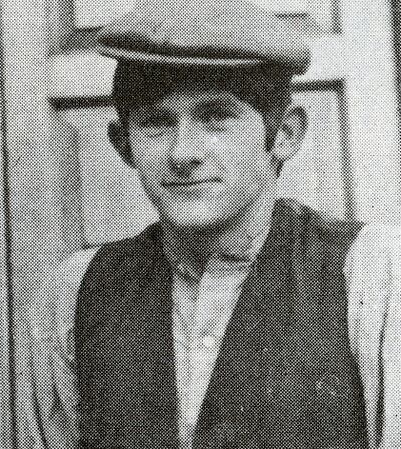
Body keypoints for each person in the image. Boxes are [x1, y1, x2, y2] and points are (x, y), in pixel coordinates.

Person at [26, 1, 401, 448]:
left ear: (284, 133)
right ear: (122, 144)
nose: (184, 152)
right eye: (156, 123)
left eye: (217, 116)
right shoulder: (77, 288)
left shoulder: (369, 273)